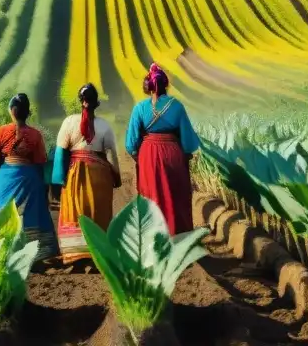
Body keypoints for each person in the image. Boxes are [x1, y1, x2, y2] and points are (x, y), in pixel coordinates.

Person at [0, 93, 59, 260]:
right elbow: (40, 161)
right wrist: (43, 185)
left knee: (3, 212)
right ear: (28, 113)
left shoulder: (0, 132)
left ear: (11, 111)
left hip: (4, 179)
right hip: (29, 177)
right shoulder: (35, 135)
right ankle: (37, 250)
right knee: (36, 209)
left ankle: (5, 250)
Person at [125, 62, 200, 235]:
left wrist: (139, 157)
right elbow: (189, 142)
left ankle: (154, 236)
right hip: (174, 153)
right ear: (165, 84)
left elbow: (131, 143)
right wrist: (185, 153)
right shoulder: (177, 106)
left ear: (148, 87)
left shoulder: (140, 108)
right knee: (177, 196)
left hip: (148, 154)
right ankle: (178, 235)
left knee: (152, 196)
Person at [51, 83, 121, 264]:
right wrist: (116, 177)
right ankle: (96, 250)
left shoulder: (68, 122)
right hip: (100, 175)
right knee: (97, 210)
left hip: (76, 173)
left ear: (80, 101)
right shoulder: (104, 125)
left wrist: (58, 180)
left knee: (76, 210)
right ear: (95, 102)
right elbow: (111, 154)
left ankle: (76, 252)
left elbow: (60, 152)